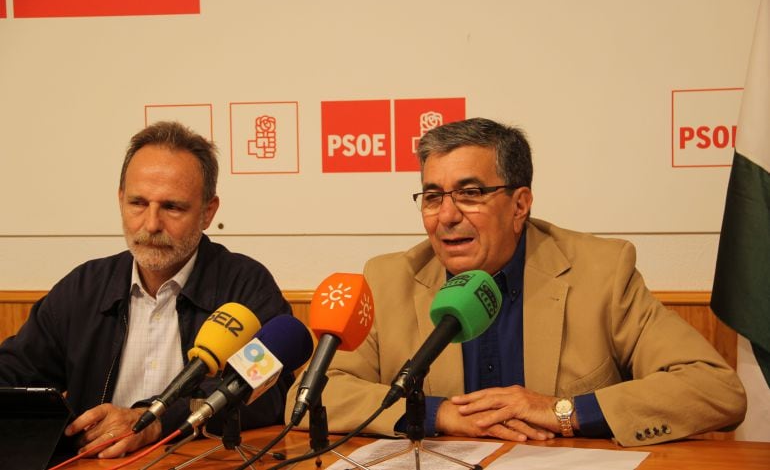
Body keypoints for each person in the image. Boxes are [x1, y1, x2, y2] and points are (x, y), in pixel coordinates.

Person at [286, 117, 747, 446]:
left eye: (470, 194)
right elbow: (307, 398)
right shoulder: (390, 278)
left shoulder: (602, 271)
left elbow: (714, 388)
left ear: (520, 205)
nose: (446, 216)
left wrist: (561, 411)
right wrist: (438, 414)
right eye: (432, 197)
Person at [0, 121, 293, 458]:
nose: (151, 225)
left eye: (172, 207)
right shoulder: (82, 289)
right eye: (138, 203)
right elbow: (15, 375)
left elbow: (270, 394)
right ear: (120, 199)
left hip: (201, 462)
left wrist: (155, 420)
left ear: (208, 212)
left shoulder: (245, 284)